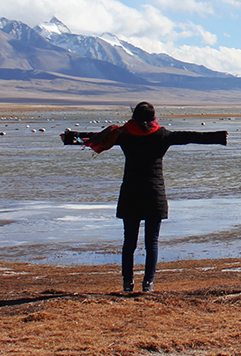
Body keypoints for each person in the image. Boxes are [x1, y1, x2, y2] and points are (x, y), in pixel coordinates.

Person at [61, 102, 228, 293]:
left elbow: (94, 137)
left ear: (134, 116)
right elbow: (191, 137)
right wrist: (219, 137)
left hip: (130, 192)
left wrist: (70, 137)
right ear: (153, 117)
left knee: (129, 242)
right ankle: (148, 283)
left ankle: (127, 283)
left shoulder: (124, 134)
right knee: (152, 242)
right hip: (154, 193)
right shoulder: (162, 135)